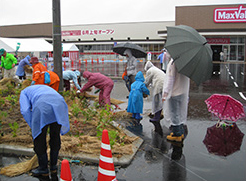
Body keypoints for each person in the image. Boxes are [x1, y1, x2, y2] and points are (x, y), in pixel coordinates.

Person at [19, 85, 70, 178]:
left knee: (39, 138)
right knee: (55, 135)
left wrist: (33, 124)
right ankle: (53, 165)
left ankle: (43, 168)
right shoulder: (41, 88)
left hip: (42, 106)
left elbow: (25, 110)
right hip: (59, 104)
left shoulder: (24, 92)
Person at [162, 58, 190, 142]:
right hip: (183, 92)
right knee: (180, 113)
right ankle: (180, 132)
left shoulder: (173, 62)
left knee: (174, 114)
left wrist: (166, 92)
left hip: (174, 92)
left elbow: (170, 79)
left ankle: (176, 134)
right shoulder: (185, 62)